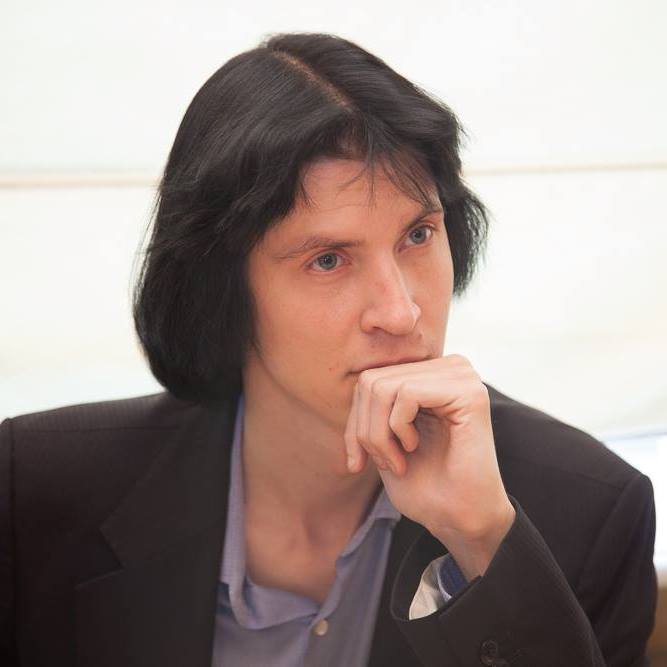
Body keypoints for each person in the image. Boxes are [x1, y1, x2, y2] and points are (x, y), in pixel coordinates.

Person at [0, 32, 657, 667]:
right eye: (328, 260)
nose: (400, 311)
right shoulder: (33, 486)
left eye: (418, 235)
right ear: (220, 288)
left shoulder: (590, 512)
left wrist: (482, 542)